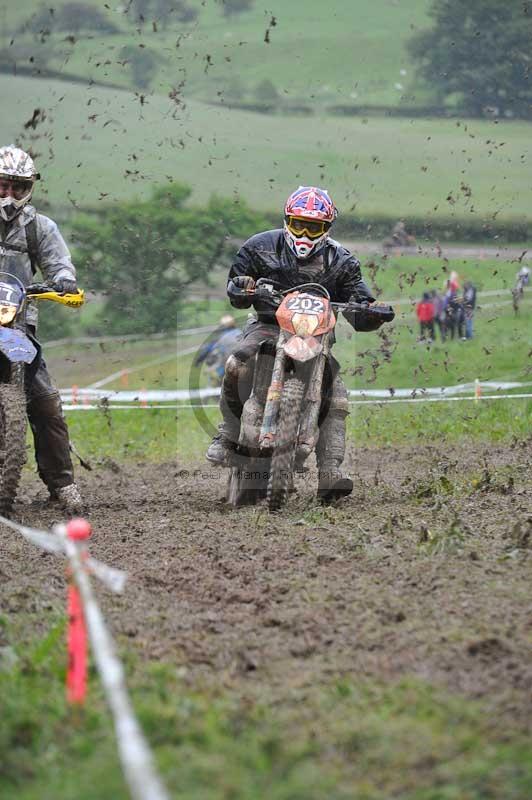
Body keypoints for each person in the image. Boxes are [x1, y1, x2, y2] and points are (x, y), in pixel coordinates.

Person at [205, 186, 391, 503]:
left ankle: (330, 473)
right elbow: (236, 288)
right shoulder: (259, 247)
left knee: (337, 395)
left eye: (314, 227)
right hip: (266, 326)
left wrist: (371, 311)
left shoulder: (342, 261)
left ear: (327, 229)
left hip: (317, 334)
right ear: (287, 221)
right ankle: (227, 433)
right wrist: (244, 288)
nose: (305, 232)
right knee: (238, 363)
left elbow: (360, 306)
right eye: (298, 224)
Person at [0, 144, 82, 513]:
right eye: (3, 185)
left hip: (16, 322)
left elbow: (59, 264)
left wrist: (62, 281)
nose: (10, 194)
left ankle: (61, 484)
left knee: (46, 402)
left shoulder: (38, 227)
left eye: (18, 187)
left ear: (29, 187)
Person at [194, 315, 242, 385]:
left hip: (224, 366)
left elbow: (208, 349)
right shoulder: (240, 332)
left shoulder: (220, 336)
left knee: (215, 380)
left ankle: (212, 391)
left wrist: (198, 361)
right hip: (243, 364)